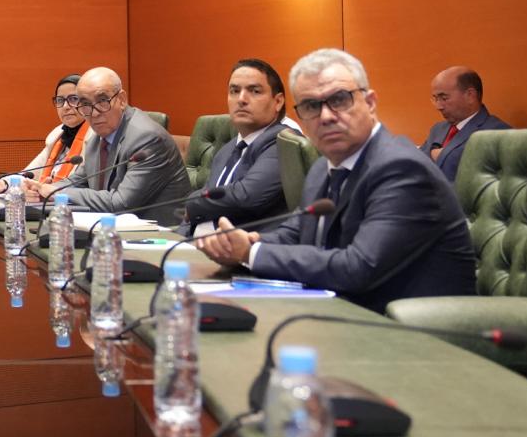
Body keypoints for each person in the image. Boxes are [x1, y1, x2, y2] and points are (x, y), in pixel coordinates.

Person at [199, 48, 477, 312]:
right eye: (311, 106)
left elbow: (359, 267)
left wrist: (252, 253)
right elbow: (297, 232)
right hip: (342, 313)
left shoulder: (402, 169)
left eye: (340, 100)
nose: (326, 116)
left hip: (414, 331)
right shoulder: (323, 167)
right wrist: (248, 240)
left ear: (370, 103)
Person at [30, 67, 192, 219]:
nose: (94, 113)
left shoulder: (147, 139)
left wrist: (57, 193)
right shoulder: (98, 138)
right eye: (85, 104)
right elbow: (78, 181)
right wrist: (40, 190)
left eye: (102, 100)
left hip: (160, 232)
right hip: (112, 227)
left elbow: (121, 203)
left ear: (121, 100)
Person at [183, 59, 288, 234]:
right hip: (195, 243)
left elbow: (246, 196)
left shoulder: (282, 142)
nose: (241, 99)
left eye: (254, 91)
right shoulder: (228, 149)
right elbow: (206, 196)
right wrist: (178, 240)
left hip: (243, 246)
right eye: (234, 91)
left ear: (278, 101)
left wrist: (192, 203)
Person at [423, 66, 511, 181]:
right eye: (435, 99)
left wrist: (441, 155)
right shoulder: (437, 129)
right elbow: (415, 161)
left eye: (444, 98)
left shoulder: (498, 133)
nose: (438, 106)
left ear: (470, 95)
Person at [24, 74, 94, 184]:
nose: (65, 106)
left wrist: (48, 189)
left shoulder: (95, 137)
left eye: (73, 99)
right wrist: (4, 183)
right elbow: (29, 174)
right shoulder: (57, 135)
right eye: (60, 100)